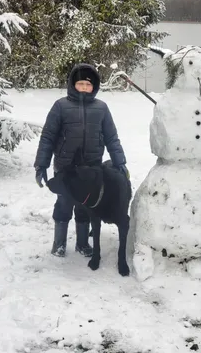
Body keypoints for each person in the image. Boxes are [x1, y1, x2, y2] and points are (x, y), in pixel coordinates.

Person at [34, 63, 128, 257]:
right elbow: (48, 137)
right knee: (64, 203)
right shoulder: (61, 106)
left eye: (88, 84)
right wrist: (41, 164)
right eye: (80, 84)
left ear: (94, 86)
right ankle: (59, 243)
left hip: (91, 168)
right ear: (72, 85)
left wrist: (119, 161)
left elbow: (111, 137)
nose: (84, 87)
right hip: (66, 166)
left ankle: (83, 243)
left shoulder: (101, 108)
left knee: (87, 205)